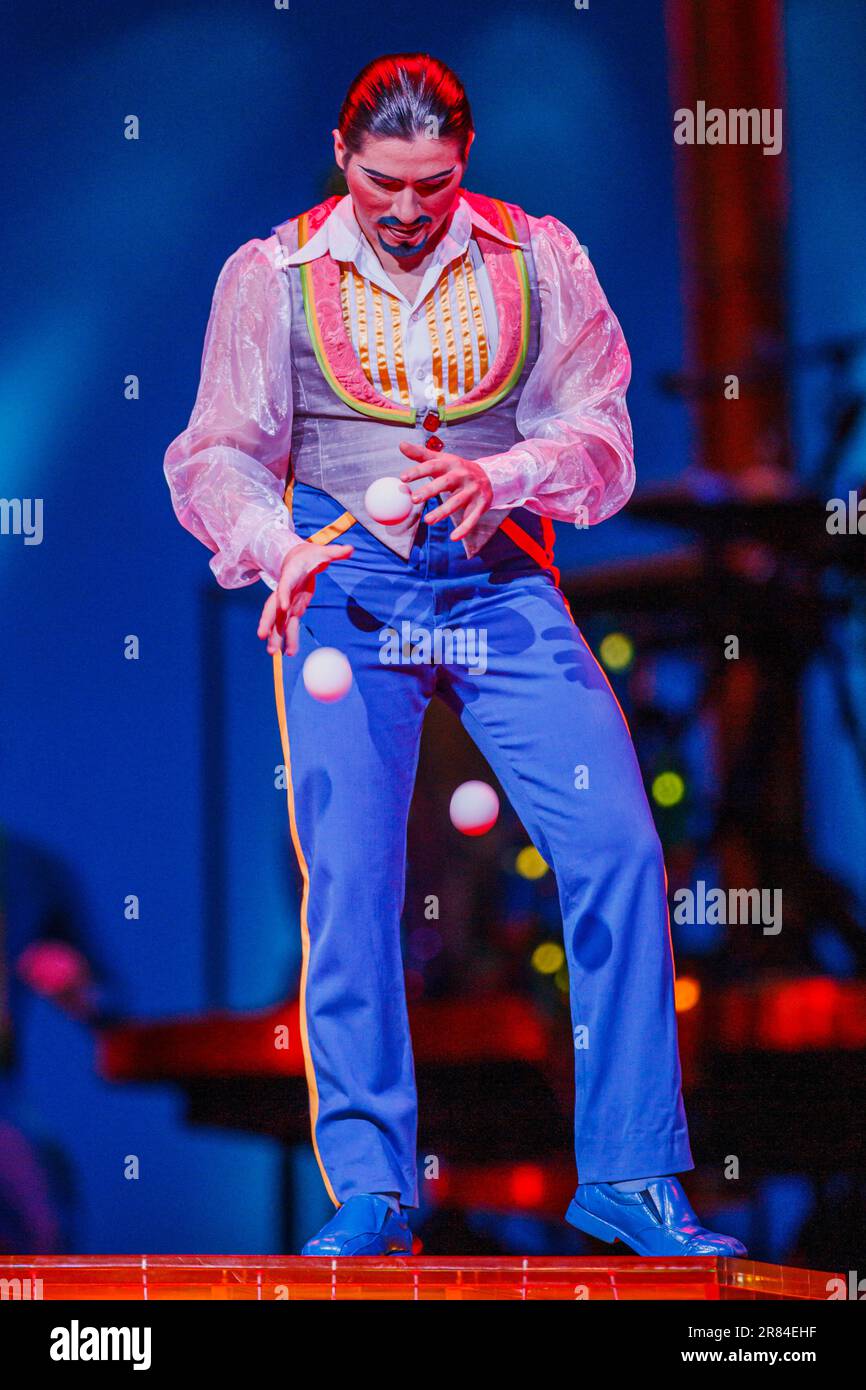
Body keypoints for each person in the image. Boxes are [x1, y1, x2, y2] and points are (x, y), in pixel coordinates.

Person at [164, 52, 746, 1258]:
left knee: (618, 845)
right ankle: (374, 1186)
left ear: (464, 164)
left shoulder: (536, 257)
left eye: (432, 182)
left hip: (496, 582)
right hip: (344, 590)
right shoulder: (271, 277)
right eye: (385, 182)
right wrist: (276, 549)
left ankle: (631, 1174)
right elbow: (215, 450)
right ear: (343, 156)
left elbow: (601, 433)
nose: (408, 208)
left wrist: (505, 474)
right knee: (353, 878)